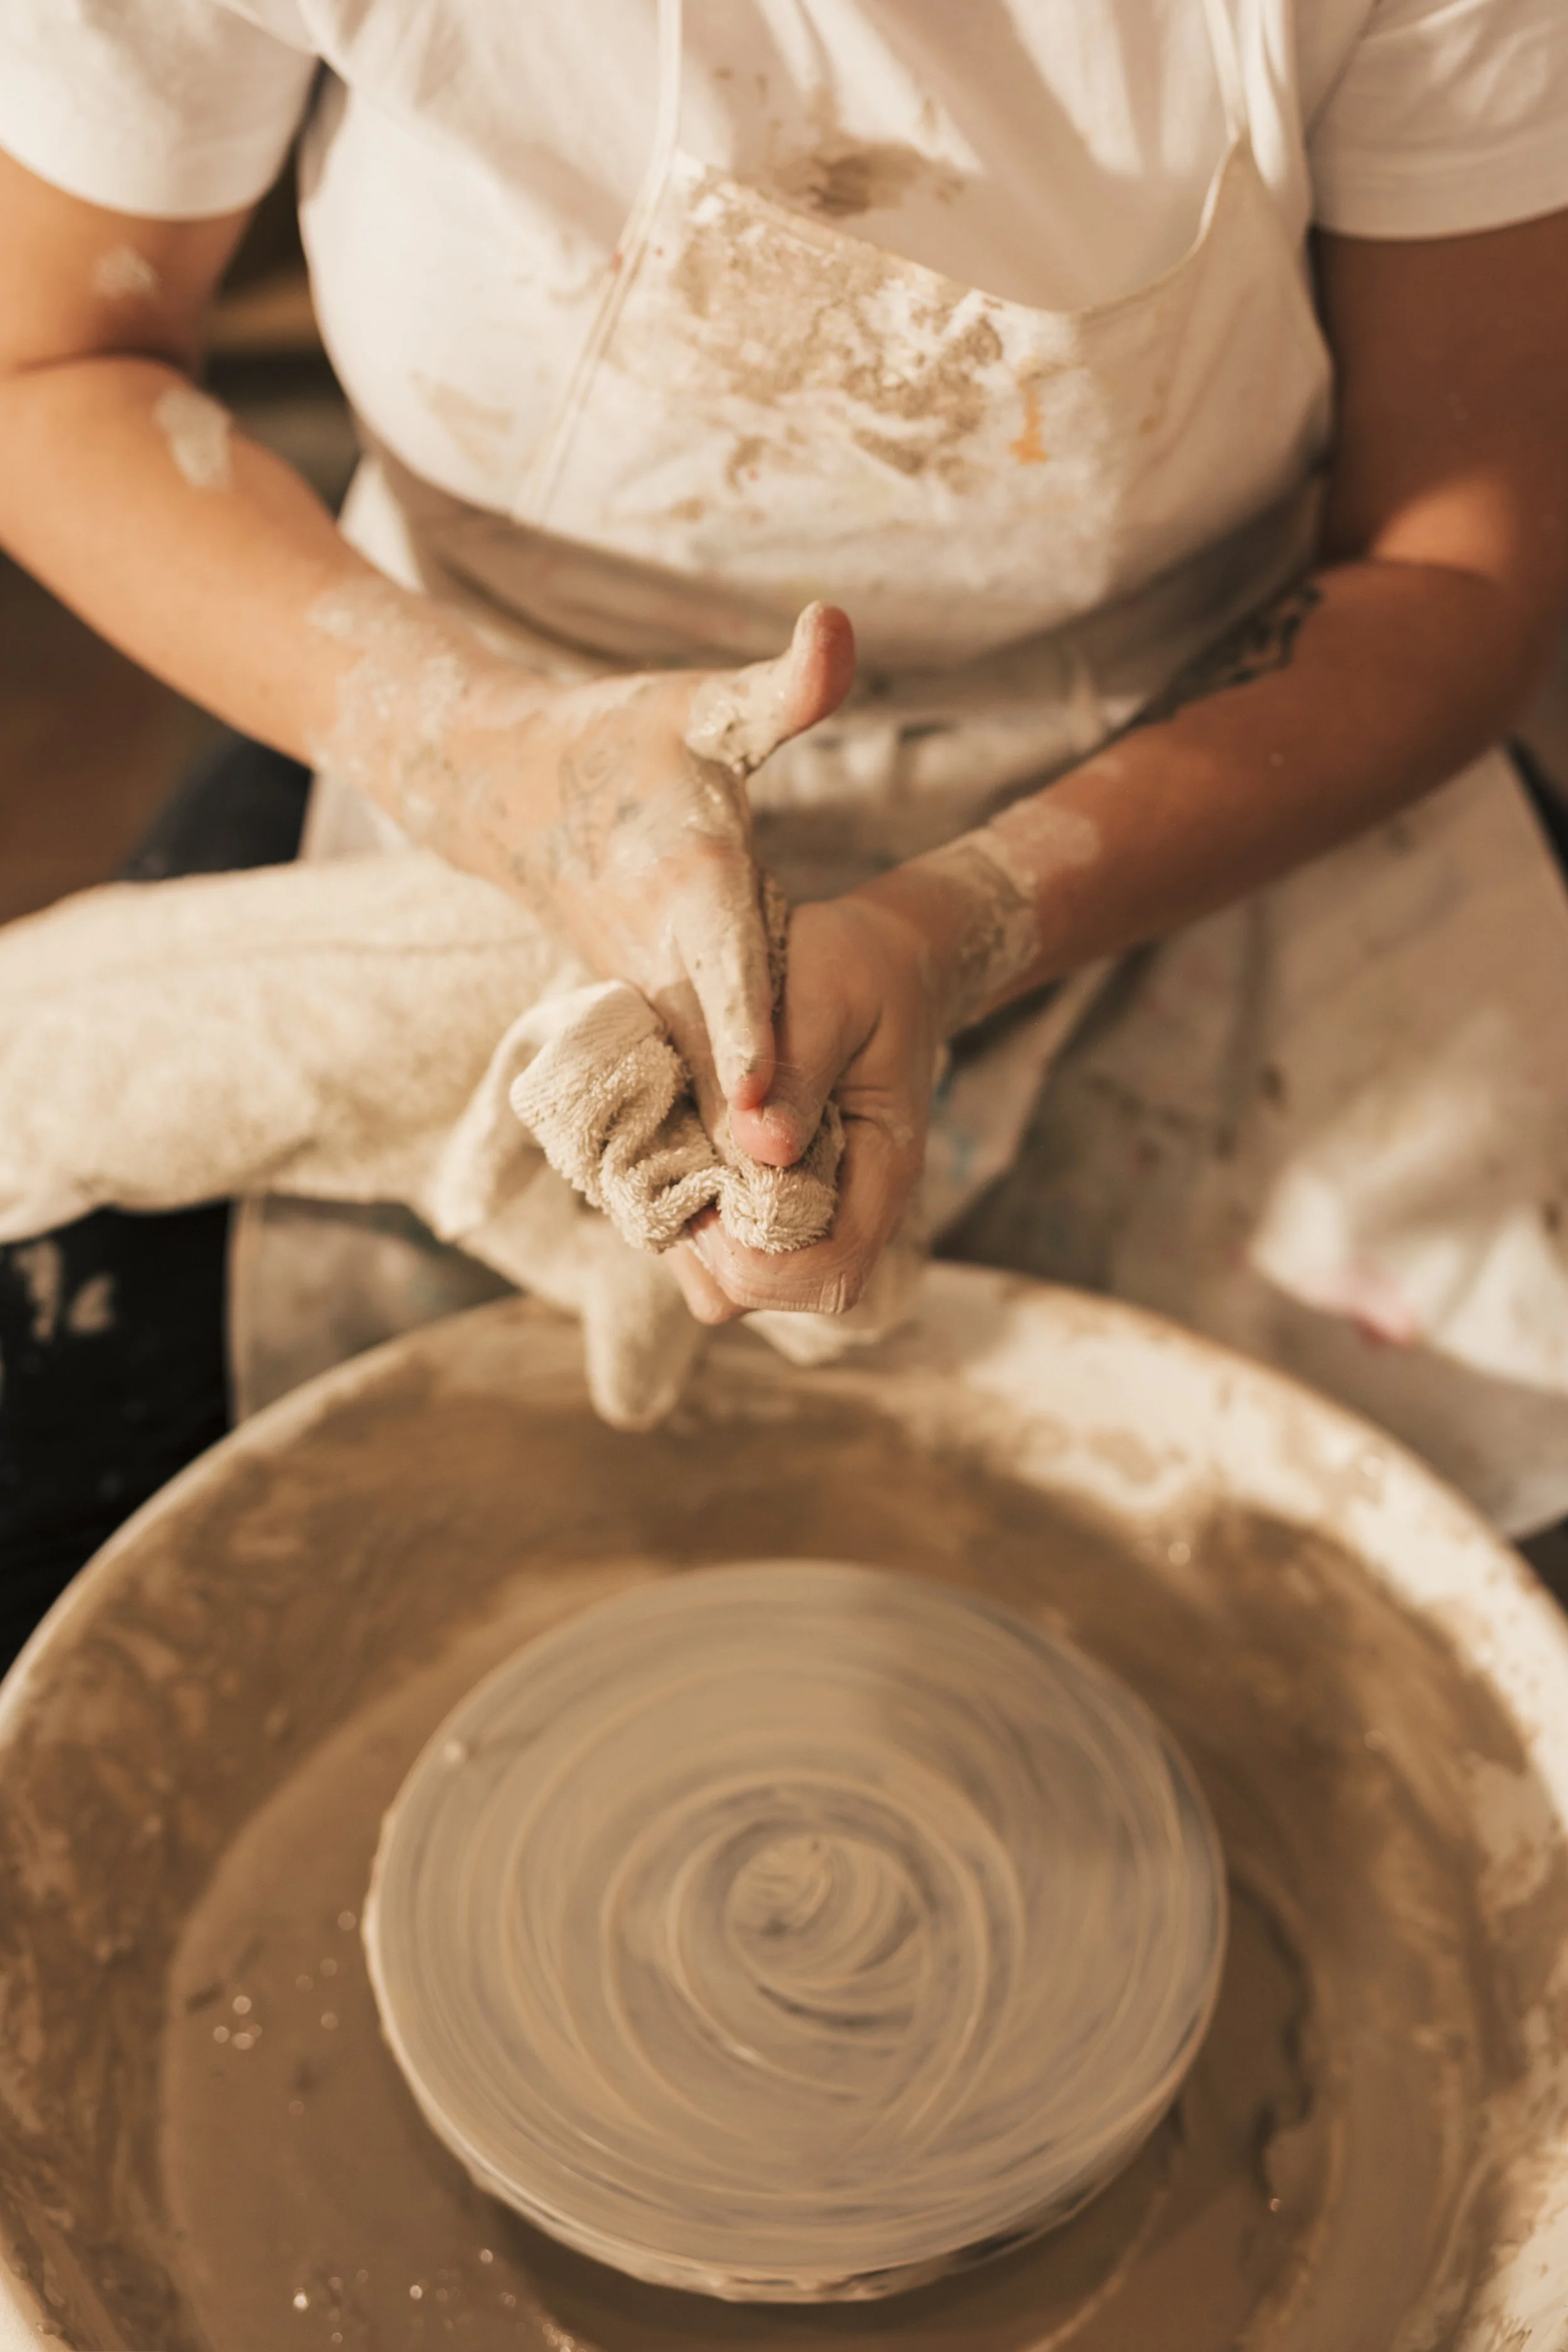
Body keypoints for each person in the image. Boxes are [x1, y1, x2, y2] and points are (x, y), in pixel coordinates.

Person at [3, 0, 1568, 1648]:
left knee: (1422, 1601)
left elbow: (1446, 565)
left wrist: (962, 920)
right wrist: (490, 761)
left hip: (1210, 747)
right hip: (484, 697)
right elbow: (53, 367)